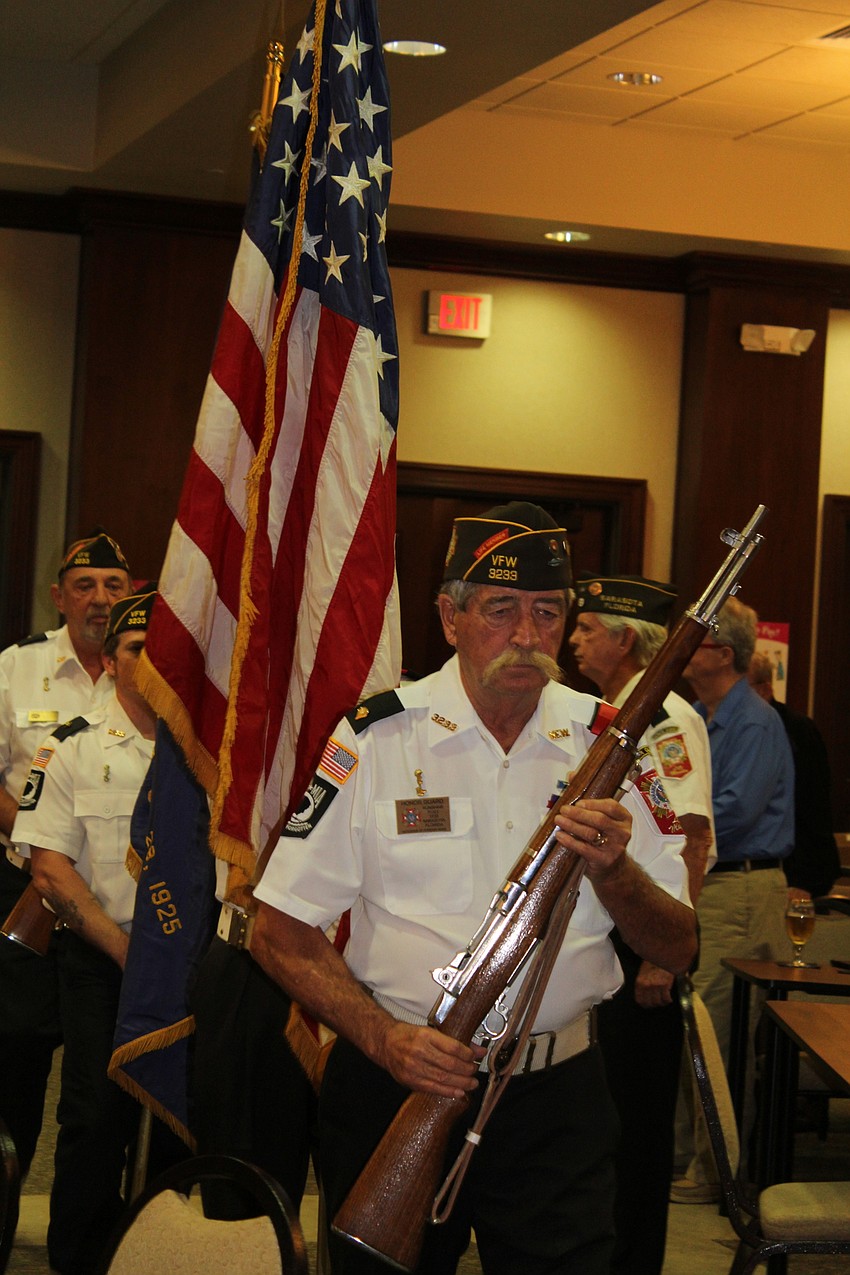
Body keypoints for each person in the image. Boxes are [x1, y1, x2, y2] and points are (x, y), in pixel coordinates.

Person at [249, 501, 697, 1275]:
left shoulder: (613, 742)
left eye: (548, 611)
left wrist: (614, 870)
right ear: (450, 616)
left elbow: (677, 944)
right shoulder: (377, 736)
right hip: (398, 1079)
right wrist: (385, 1039)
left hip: (560, 1097)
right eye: (501, 609)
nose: (527, 635)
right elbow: (277, 931)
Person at [570, 573, 715, 1275]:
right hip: (609, 938)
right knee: (605, 1127)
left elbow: (690, 835)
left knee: (636, 1130)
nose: (573, 638)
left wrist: (663, 957)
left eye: (586, 626)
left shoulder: (666, 718)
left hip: (645, 949)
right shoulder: (605, 709)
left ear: (626, 637)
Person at [11, 588, 157, 1275]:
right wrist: (127, 950)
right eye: (135, 649)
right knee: (95, 1124)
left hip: (194, 968)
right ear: (110, 659)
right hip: (105, 961)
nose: (151, 661)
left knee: (184, 1128)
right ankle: (79, 1261)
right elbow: (48, 867)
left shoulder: (217, 754)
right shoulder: (69, 745)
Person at [0, 531, 132, 1180]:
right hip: (26, 886)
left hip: (110, 905)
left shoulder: (147, 667)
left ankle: (87, 1234)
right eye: (85, 585)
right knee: (14, 1057)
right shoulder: (15, 667)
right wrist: (42, 837)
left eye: (114, 585)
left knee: (96, 1083)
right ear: (59, 596)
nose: (100, 599)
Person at [671, 597, 794, 1203]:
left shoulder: (752, 722)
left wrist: (667, 829)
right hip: (709, 883)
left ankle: (717, 1171)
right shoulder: (698, 713)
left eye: (694, 641)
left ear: (721, 654)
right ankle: (684, 1158)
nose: (682, 649)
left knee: (721, 1030)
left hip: (740, 885)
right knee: (692, 1024)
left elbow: (733, 815)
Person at [748, 651, 840, 901]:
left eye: (742, 688)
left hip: (794, 874)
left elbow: (812, 808)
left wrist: (804, 881)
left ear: (765, 689)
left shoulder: (798, 731)